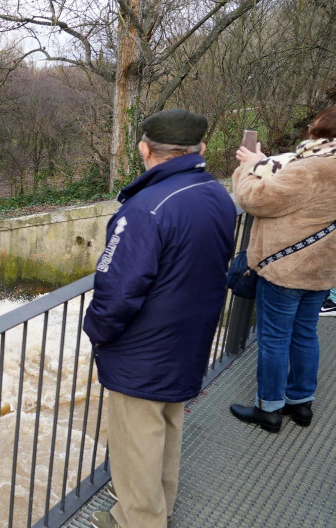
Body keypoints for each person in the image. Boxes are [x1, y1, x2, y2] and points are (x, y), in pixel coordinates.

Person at [83, 109, 237, 528]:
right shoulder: (216, 194)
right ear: (200, 149)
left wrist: (97, 332)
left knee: (136, 438)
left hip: (144, 346)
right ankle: (160, 506)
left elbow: (116, 290)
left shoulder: (146, 208)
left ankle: (139, 520)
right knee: (167, 425)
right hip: (190, 336)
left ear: (144, 149)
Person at [230, 107, 336, 431]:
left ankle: (269, 410)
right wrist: (264, 161)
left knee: (274, 338)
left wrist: (248, 167)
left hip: (287, 269)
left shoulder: (312, 169)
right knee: (305, 334)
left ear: (320, 132)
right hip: (322, 269)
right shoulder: (318, 165)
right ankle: (301, 405)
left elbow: (254, 199)